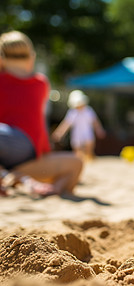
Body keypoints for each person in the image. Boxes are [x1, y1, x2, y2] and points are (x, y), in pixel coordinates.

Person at [0, 30, 83, 197]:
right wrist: (45, 152)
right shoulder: (41, 83)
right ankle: (33, 182)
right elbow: (38, 121)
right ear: (31, 58)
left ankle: (10, 176)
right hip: (31, 153)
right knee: (76, 164)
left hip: (14, 144)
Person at [52, 90, 106, 161]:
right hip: (77, 134)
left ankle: (89, 161)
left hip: (87, 132)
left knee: (89, 149)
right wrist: (59, 133)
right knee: (78, 152)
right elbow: (66, 124)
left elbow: (95, 122)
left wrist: (99, 130)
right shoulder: (72, 112)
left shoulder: (88, 110)